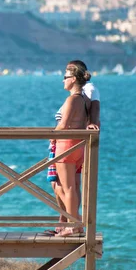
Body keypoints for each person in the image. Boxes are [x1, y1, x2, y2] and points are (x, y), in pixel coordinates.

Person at [46, 60, 100, 235]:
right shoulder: (85, 100)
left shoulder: (72, 99)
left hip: (66, 145)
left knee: (66, 187)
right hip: (78, 146)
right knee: (73, 187)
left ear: (74, 79)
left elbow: (63, 125)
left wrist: (51, 135)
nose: (63, 80)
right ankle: (74, 223)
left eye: (65, 77)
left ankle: (73, 225)